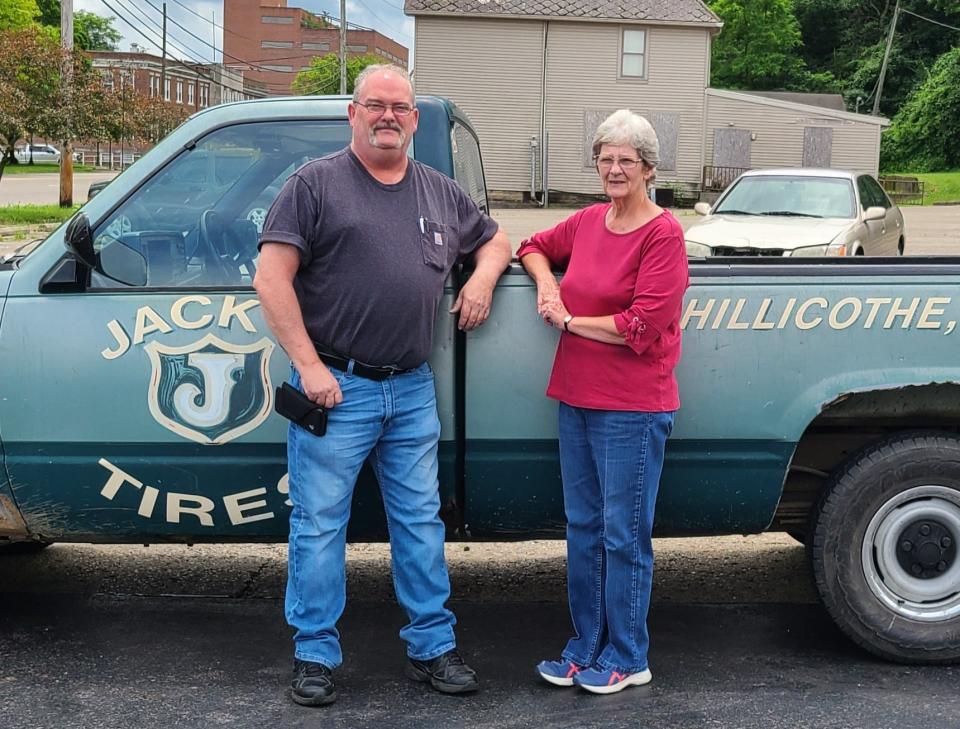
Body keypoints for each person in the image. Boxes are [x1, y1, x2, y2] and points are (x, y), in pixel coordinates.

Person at [254, 64, 512, 707]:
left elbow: (497, 237)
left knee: (420, 523)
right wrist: (310, 367)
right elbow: (270, 278)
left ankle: (432, 647)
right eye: (375, 105)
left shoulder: (439, 190)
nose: (388, 116)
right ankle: (314, 655)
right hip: (335, 389)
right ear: (354, 113)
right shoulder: (313, 185)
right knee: (319, 526)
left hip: (412, 390)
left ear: (415, 120)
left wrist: (480, 278)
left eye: (400, 107)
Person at [516, 109, 689, 694]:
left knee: (623, 534)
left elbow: (642, 326)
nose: (615, 169)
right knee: (584, 528)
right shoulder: (590, 220)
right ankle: (585, 645)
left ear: (648, 168)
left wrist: (568, 321)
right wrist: (546, 281)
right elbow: (534, 244)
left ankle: (628, 654)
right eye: (605, 158)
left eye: (626, 160)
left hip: (632, 407)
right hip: (577, 398)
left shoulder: (663, 234)